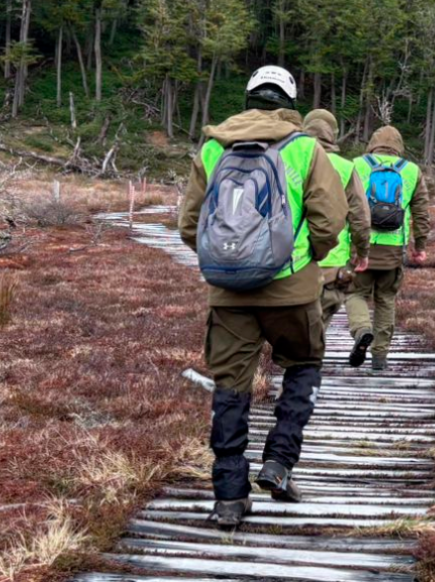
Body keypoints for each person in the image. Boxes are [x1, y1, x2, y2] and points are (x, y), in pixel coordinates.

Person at [177, 65, 348, 529]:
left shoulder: (213, 148)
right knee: (304, 365)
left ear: (249, 96)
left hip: (229, 295)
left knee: (230, 389)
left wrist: (226, 263)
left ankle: (229, 497)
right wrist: (303, 260)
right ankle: (279, 462)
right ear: (288, 101)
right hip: (292, 291)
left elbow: (189, 225)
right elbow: (331, 220)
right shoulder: (304, 149)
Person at [344, 125, 431, 372]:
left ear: (372, 142)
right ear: (399, 146)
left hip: (362, 247)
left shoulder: (357, 165)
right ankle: (380, 357)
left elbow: (343, 204)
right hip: (394, 251)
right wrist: (420, 245)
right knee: (386, 299)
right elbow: (421, 212)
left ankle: (362, 330)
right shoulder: (412, 171)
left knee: (354, 293)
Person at [302, 110, 372, 347]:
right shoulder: (344, 167)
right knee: (317, 327)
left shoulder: (285, 160)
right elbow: (360, 219)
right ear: (334, 135)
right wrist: (362, 253)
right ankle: (306, 374)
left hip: (289, 261)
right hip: (332, 263)